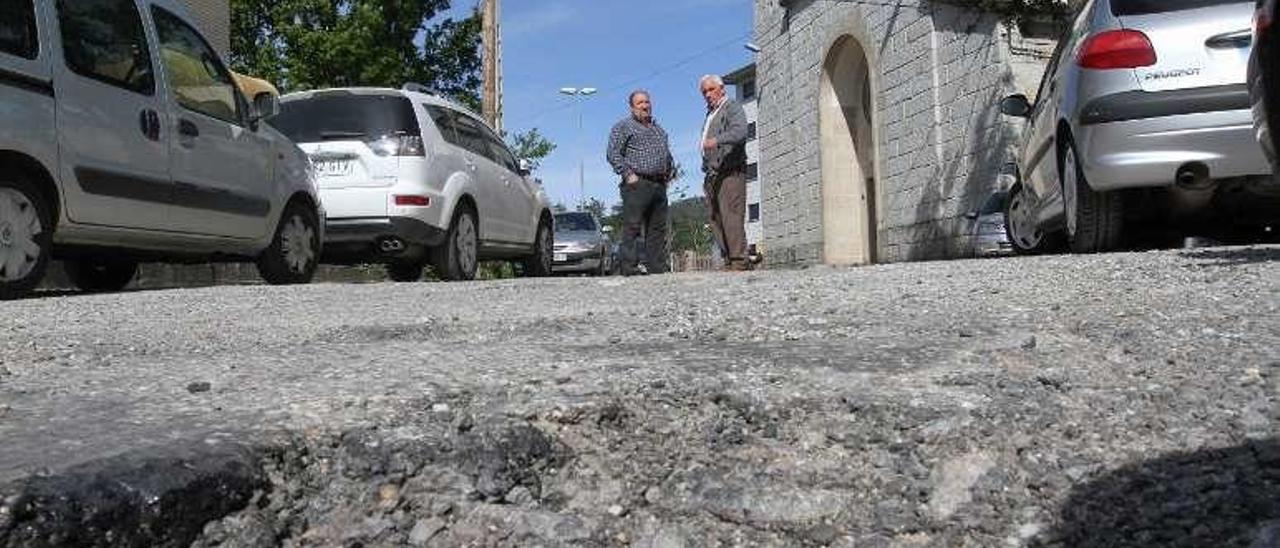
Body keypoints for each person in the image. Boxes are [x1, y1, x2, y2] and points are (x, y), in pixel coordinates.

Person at [606, 90, 676, 275]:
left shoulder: (658, 129)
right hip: (637, 183)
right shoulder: (623, 126)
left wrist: (669, 171)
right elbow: (612, 153)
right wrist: (628, 174)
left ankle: (657, 267)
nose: (645, 105)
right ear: (632, 107)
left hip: (659, 184)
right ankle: (629, 267)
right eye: (640, 103)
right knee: (633, 226)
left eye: (647, 102)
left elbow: (667, 154)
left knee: (657, 228)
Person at [698, 74, 750, 271]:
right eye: (704, 92)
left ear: (722, 89)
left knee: (731, 215)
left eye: (711, 90)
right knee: (716, 216)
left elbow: (740, 132)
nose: (707, 95)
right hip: (713, 174)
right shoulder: (710, 113)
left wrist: (717, 140)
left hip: (730, 171)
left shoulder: (732, 107)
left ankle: (739, 260)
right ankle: (729, 258)